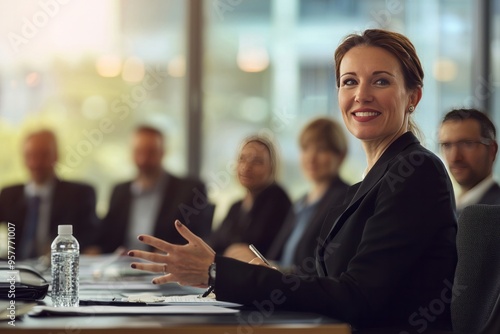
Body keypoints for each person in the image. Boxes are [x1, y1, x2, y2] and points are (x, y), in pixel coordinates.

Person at [128, 29, 457, 332]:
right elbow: (325, 283)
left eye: (381, 82)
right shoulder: (366, 184)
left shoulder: (416, 172)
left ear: (413, 96)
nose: (362, 95)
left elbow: (358, 298)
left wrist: (219, 272)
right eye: (349, 82)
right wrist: (266, 275)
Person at [230, 118, 350, 272]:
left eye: (321, 149)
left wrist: (277, 270)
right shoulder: (300, 203)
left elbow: (324, 268)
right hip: (283, 287)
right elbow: (277, 256)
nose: (311, 157)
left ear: (340, 155)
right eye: (306, 149)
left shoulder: (345, 199)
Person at [96, 125, 210, 253]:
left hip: (165, 266)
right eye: (139, 152)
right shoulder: (120, 191)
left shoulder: (190, 191)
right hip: (121, 264)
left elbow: (199, 238)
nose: (144, 159)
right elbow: (105, 236)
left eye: (151, 152)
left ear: (162, 152)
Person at [0, 129, 99, 259]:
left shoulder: (79, 194)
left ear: (56, 156)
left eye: (43, 155)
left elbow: (92, 235)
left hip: (57, 268)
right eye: (31, 155)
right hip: (16, 268)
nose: (36, 163)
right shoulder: (9, 195)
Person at [206, 135, 292, 258]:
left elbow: (269, 252)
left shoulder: (278, 202)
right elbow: (213, 244)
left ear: (272, 167)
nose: (246, 167)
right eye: (242, 159)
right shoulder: (236, 206)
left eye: (257, 161)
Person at [438, 108, 500, 214]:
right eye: (447, 145)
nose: (455, 157)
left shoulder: (496, 212)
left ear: (492, 150)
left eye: (467, 144)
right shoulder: (444, 206)